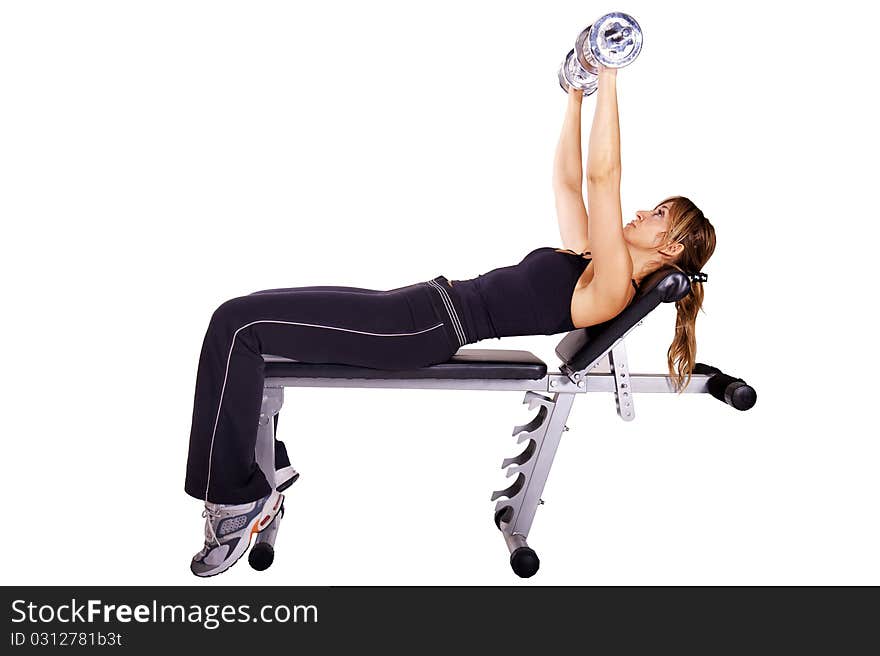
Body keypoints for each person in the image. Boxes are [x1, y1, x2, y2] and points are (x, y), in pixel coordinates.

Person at [186, 64, 717, 577]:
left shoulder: (611, 288)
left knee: (237, 325)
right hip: (415, 309)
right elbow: (568, 183)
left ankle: (237, 500)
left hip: (417, 331)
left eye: (657, 215)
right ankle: (264, 467)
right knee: (249, 323)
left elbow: (605, 179)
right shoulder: (592, 263)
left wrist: (610, 74)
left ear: (670, 247)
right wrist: (576, 92)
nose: (640, 212)